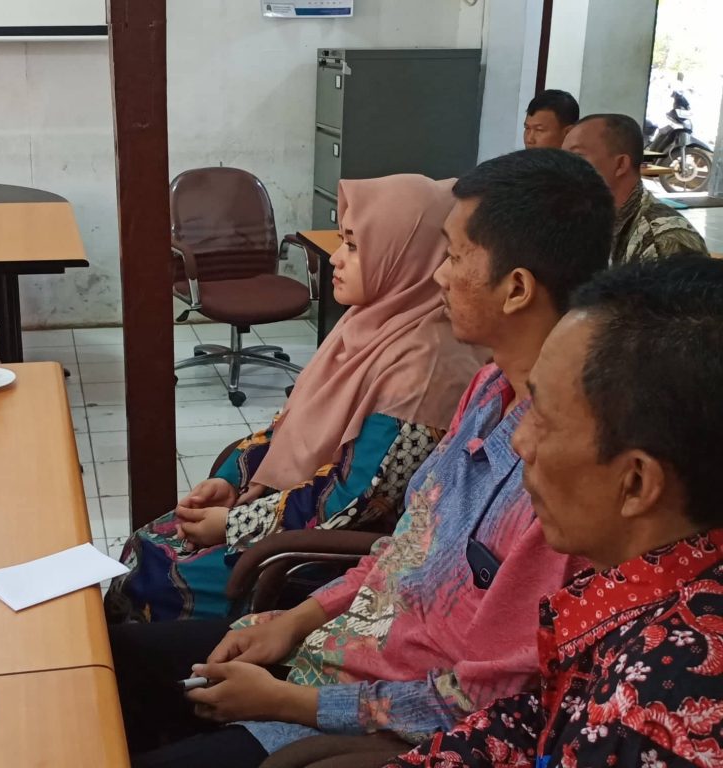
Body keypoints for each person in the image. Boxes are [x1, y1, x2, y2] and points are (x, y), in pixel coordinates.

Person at [109, 148, 616, 768]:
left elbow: (483, 701)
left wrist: (290, 702)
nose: (439, 275)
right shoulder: (487, 391)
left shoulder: (560, 478)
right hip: (340, 646)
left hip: (371, 715)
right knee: (115, 666)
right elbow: (404, 547)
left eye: (456, 257)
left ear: (516, 288)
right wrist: (295, 620)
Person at [377, 256, 723, 768]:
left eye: (542, 416)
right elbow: (540, 719)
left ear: (635, 483)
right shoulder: (634, 588)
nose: (519, 441)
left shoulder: (648, 719)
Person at [106, 174, 488, 623]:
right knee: (141, 545)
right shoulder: (367, 326)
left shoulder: (425, 370)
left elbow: (355, 504)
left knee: (148, 576)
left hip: (318, 558)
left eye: (354, 246)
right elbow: (290, 427)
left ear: (406, 256)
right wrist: (231, 481)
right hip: (285, 519)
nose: (336, 258)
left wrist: (232, 524)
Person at [563, 113, 708, 265]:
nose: (564, 166)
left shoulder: (664, 240)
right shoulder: (584, 216)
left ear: (620, 165)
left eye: (577, 156)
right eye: (563, 156)